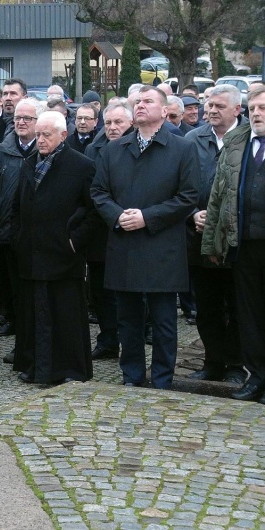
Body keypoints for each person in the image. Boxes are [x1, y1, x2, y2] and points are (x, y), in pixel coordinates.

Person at [91, 86, 198, 389]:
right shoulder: (114, 149)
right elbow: (99, 192)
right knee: (128, 319)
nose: (140, 106)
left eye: (148, 101)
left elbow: (188, 197)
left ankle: (163, 379)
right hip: (124, 243)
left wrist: (147, 218)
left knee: (164, 321)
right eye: (137, 102)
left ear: (164, 111)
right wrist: (117, 216)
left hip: (162, 246)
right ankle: (132, 376)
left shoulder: (182, 148)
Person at [11, 111, 100, 384]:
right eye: (37, 134)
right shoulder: (28, 163)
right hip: (32, 253)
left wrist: (74, 240)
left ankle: (67, 370)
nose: (40, 140)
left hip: (63, 255)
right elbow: (17, 205)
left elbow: (93, 210)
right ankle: (36, 367)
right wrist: (18, 236)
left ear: (63, 136)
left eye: (46, 135)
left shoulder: (82, 166)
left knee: (64, 315)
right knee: (35, 314)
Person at [201, 85, 265, 402]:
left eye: (263, 108)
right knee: (249, 314)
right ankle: (257, 378)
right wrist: (213, 242)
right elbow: (219, 196)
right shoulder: (237, 143)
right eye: (254, 108)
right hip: (245, 246)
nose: (257, 114)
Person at [186, 84, 247, 385]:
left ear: (237, 110)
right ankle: (213, 361)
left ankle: (236, 364)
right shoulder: (191, 140)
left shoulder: (249, 140)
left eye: (218, 106)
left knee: (236, 305)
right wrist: (191, 214)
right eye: (208, 105)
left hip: (237, 243)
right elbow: (178, 186)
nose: (210, 110)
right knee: (207, 306)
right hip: (199, 238)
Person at [0, 98, 40, 363]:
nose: (20, 122)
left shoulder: (43, 150)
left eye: (27, 119)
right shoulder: (3, 150)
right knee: (9, 286)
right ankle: (15, 328)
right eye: (18, 118)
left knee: (28, 291)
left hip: (33, 236)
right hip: (6, 230)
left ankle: (29, 341)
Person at [84, 103, 134, 361]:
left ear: (131, 123)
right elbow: (92, 189)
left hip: (132, 228)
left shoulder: (138, 148)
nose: (113, 128)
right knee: (101, 292)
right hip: (101, 229)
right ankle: (108, 339)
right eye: (109, 123)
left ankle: (131, 343)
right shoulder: (94, 149)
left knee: (130, 293)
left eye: (119, 123)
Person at [0, 78, 27, 150]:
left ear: (25, 98)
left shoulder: (32, 125)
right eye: (5, 94)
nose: (8, 98)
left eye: (13, 94)